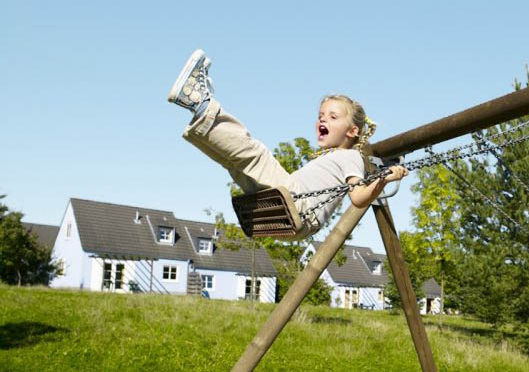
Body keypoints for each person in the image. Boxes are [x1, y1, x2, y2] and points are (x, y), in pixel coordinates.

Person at [167, 49, 408, 236]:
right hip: (291, 208)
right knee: (236, 162)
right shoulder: (332, 158)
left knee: (255, 154)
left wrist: (384, 177)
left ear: (353, 131)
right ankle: (199, 114)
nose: (323, 119)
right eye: (321, 116)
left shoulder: (351, 157)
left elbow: (357, 197)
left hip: (299, 207)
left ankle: (199, 101)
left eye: (333, 117)